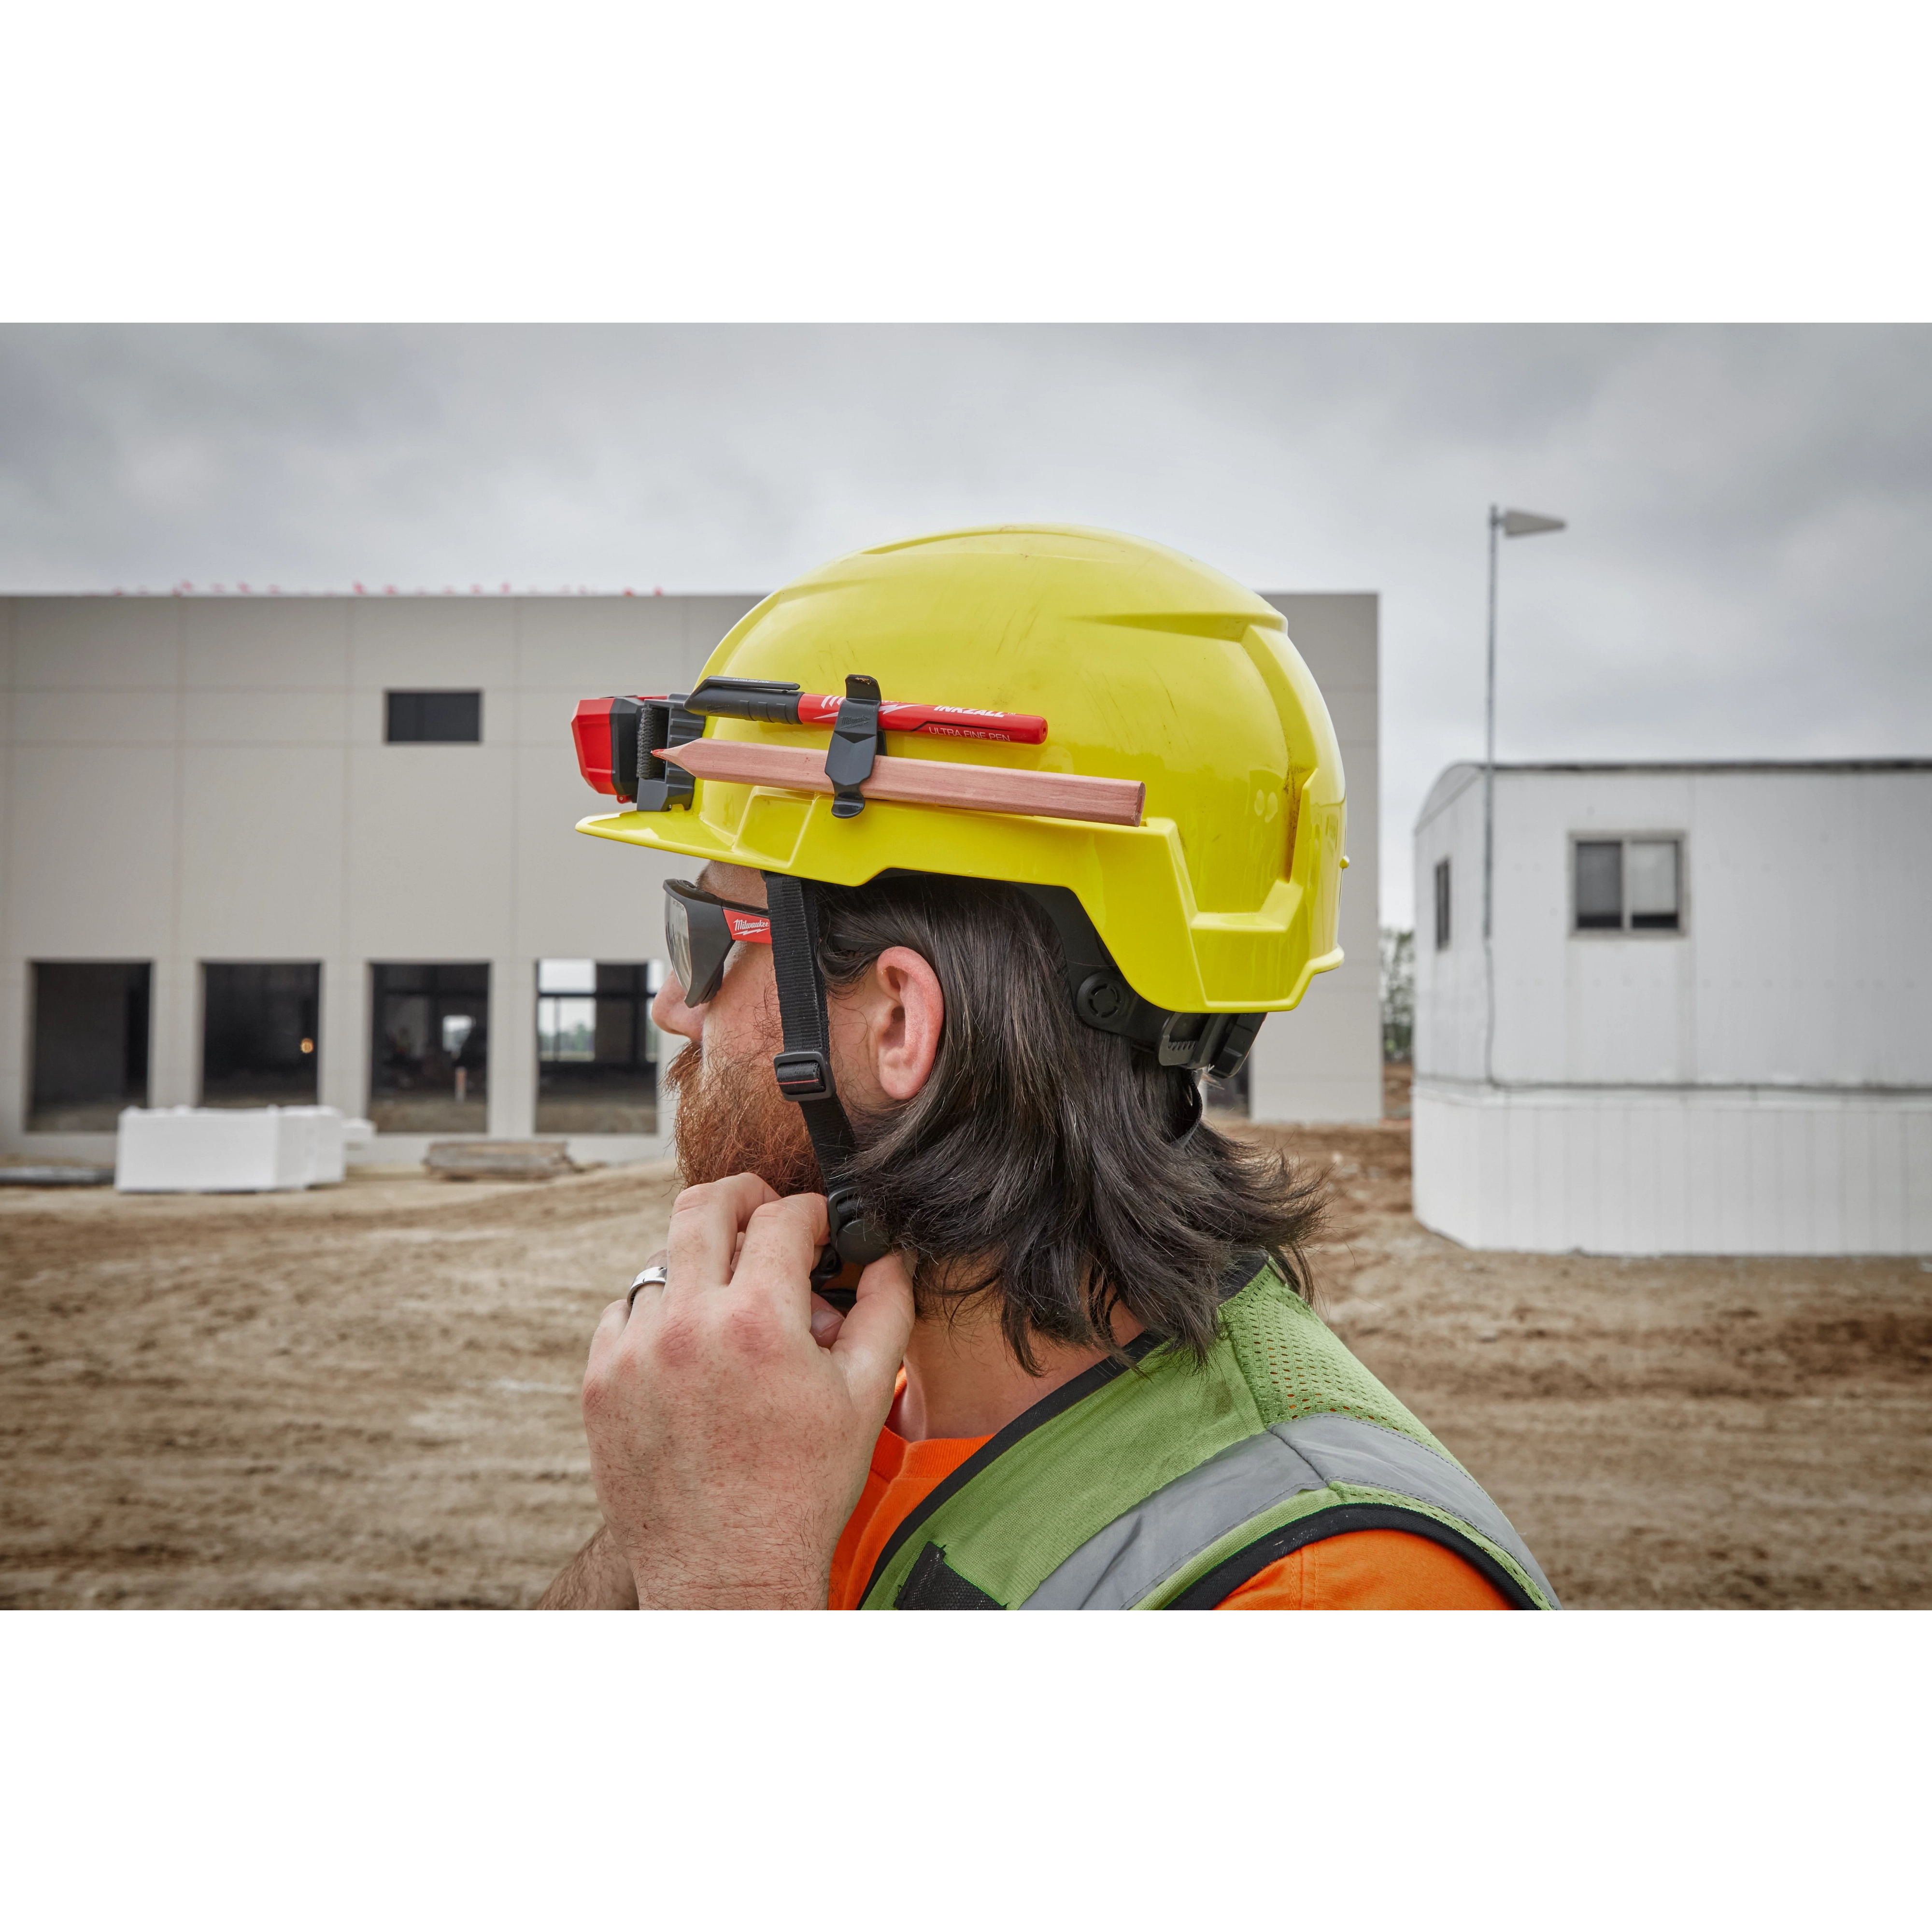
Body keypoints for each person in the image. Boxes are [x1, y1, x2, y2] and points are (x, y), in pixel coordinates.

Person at [539, 525, 1560, 1612]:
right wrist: (671, 1511)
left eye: (700, 937)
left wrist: (723, 1581)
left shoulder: (1328, 1581)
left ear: (899, 1020)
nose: (668, 1005)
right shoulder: (834, 1394)